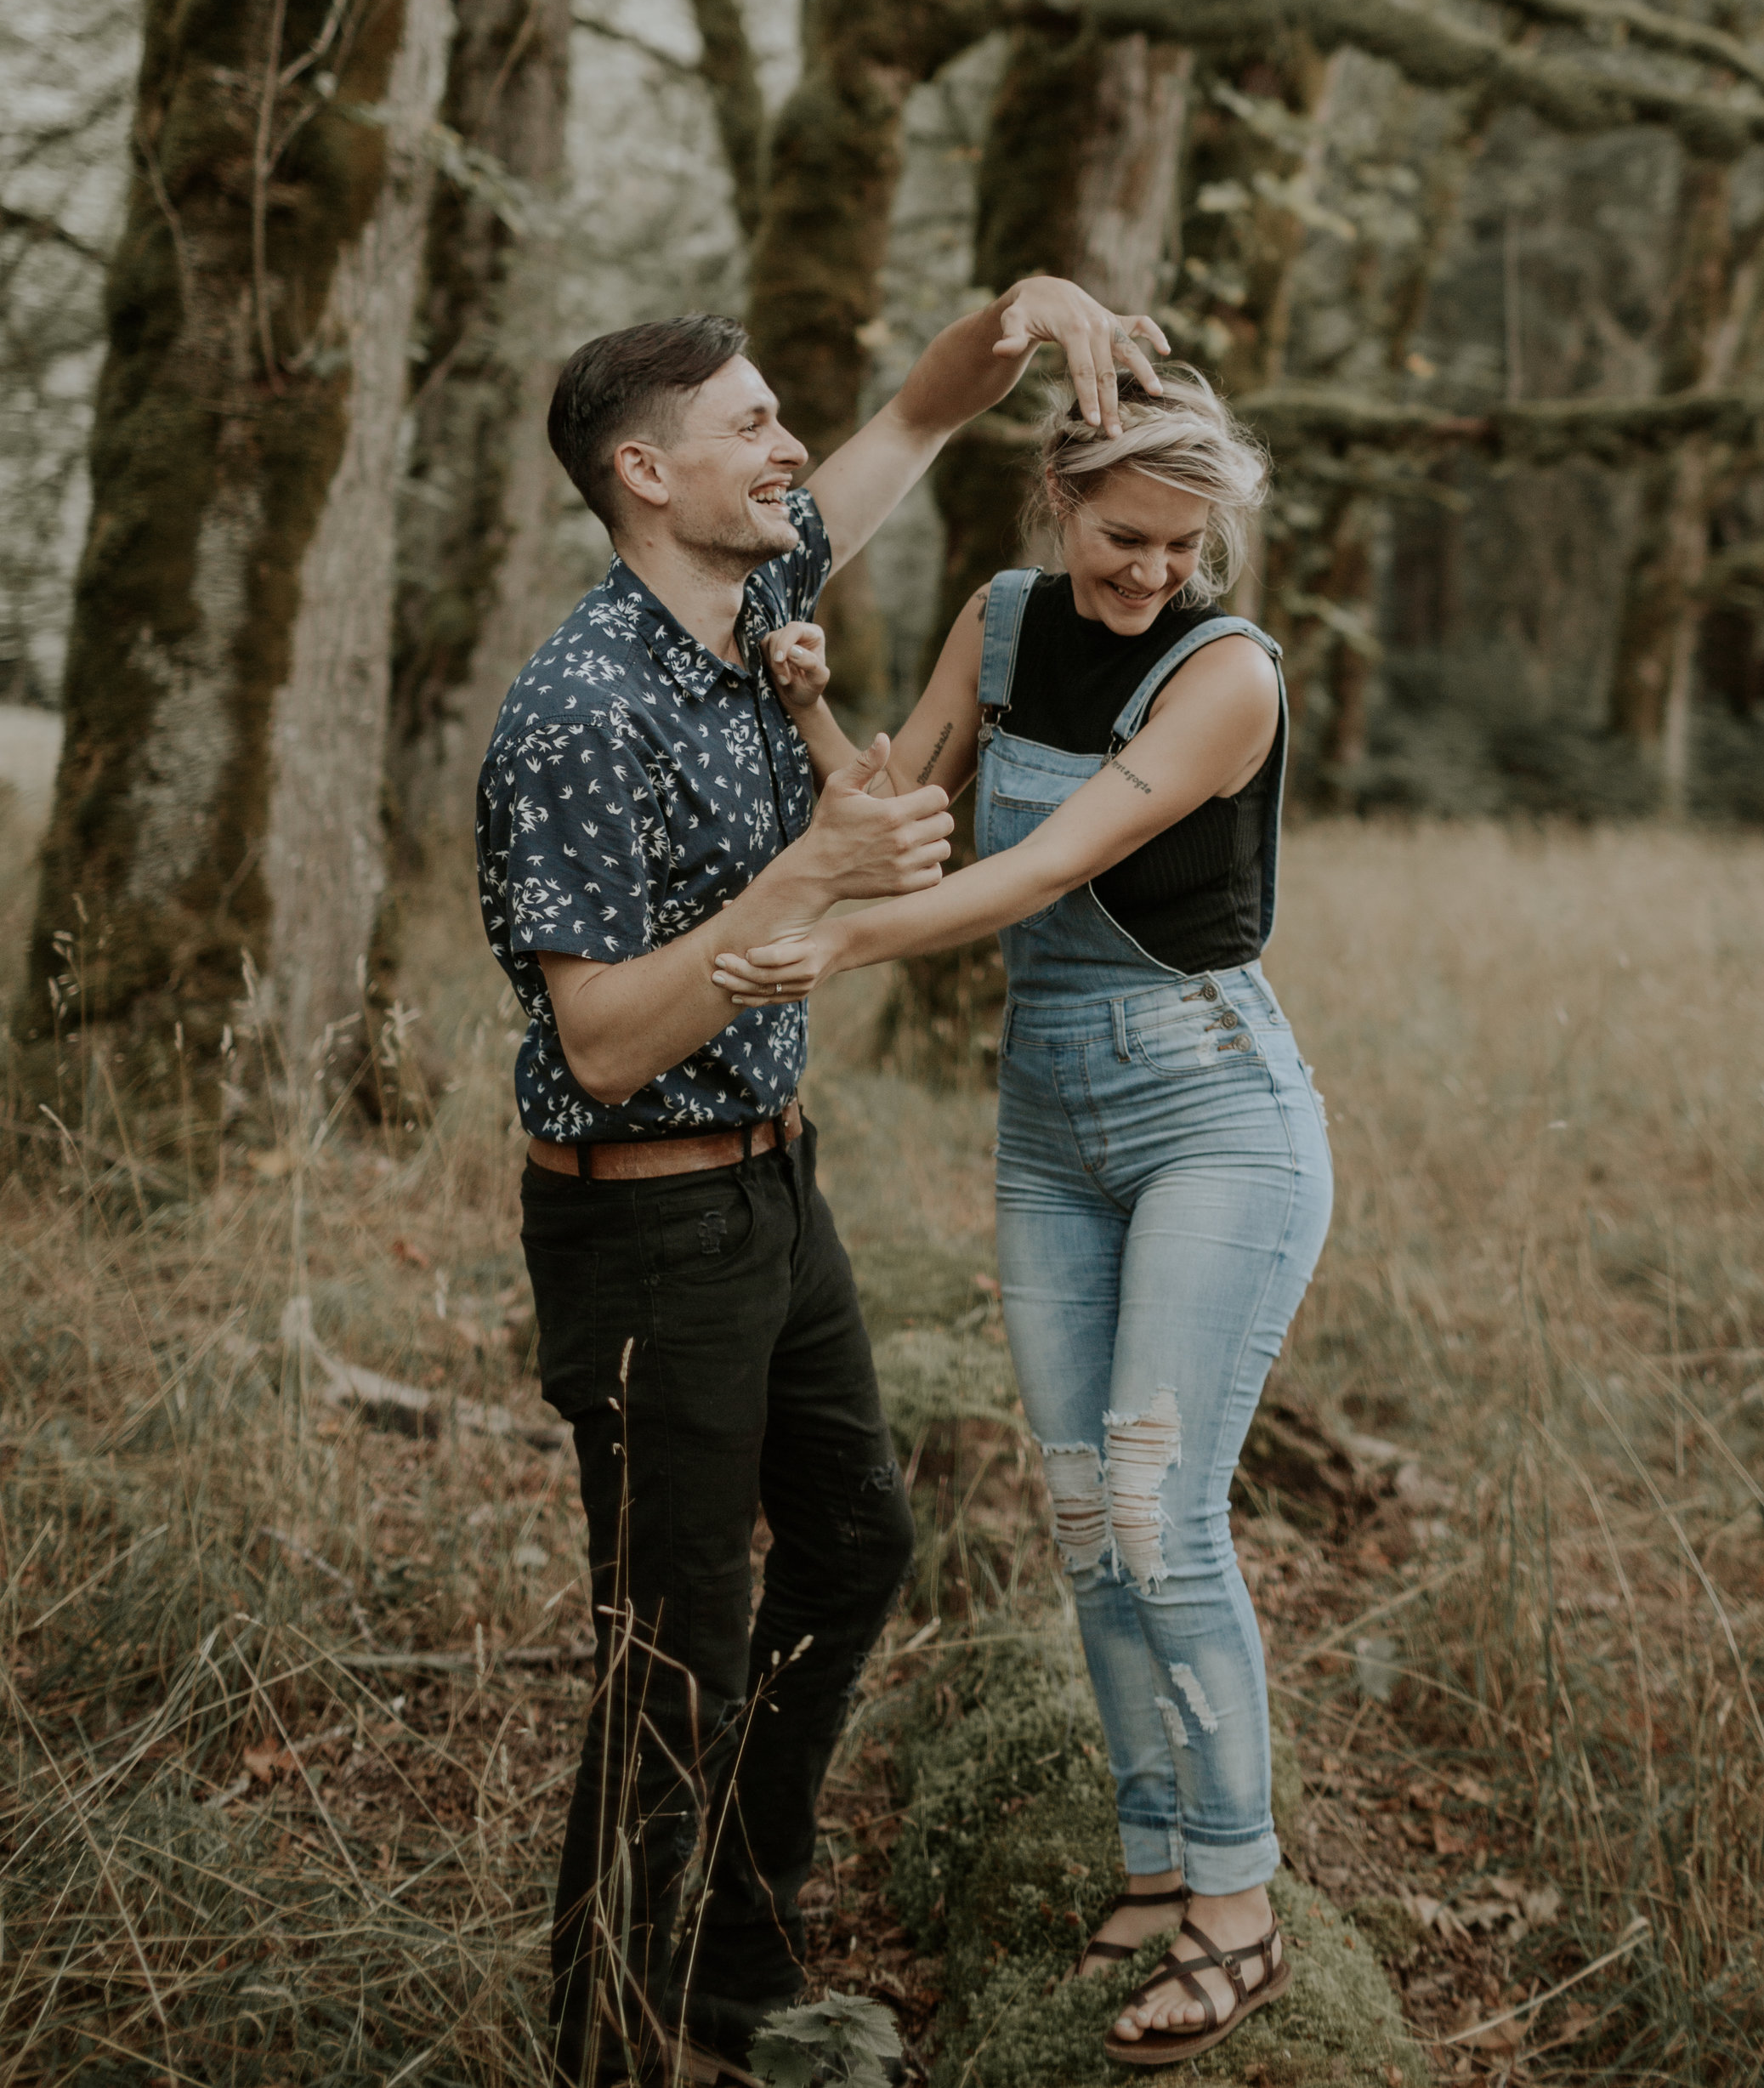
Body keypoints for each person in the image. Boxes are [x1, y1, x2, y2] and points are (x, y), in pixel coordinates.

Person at [475, 279, 1166, 2088]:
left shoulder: (756, 593)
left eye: (787, 420)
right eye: (752, 427)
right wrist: (819, 872)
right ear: (645, 473)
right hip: (642, 1223)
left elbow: (924, 418)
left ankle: (728, 1960)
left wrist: (1023, 313)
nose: (793, 449)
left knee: (855, 1544)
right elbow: (606, 1041)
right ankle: (610, 2041)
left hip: (777, 1197)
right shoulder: (575, 713)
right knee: (672, 1653)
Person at [713, 364, 1334, 2073]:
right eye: (1123, 536)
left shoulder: (1226, 673)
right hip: (1047, 1117)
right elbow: (906, 833)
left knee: (1157, 1501)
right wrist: (812, 715)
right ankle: (1151, 1862)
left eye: (1180, 546)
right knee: (1080, 1513)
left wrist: (834, 950)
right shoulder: (995, 620)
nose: (1149, 572)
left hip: (1212, 1108)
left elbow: (1054, 861)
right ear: (1057, 502)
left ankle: (1240, 1908)